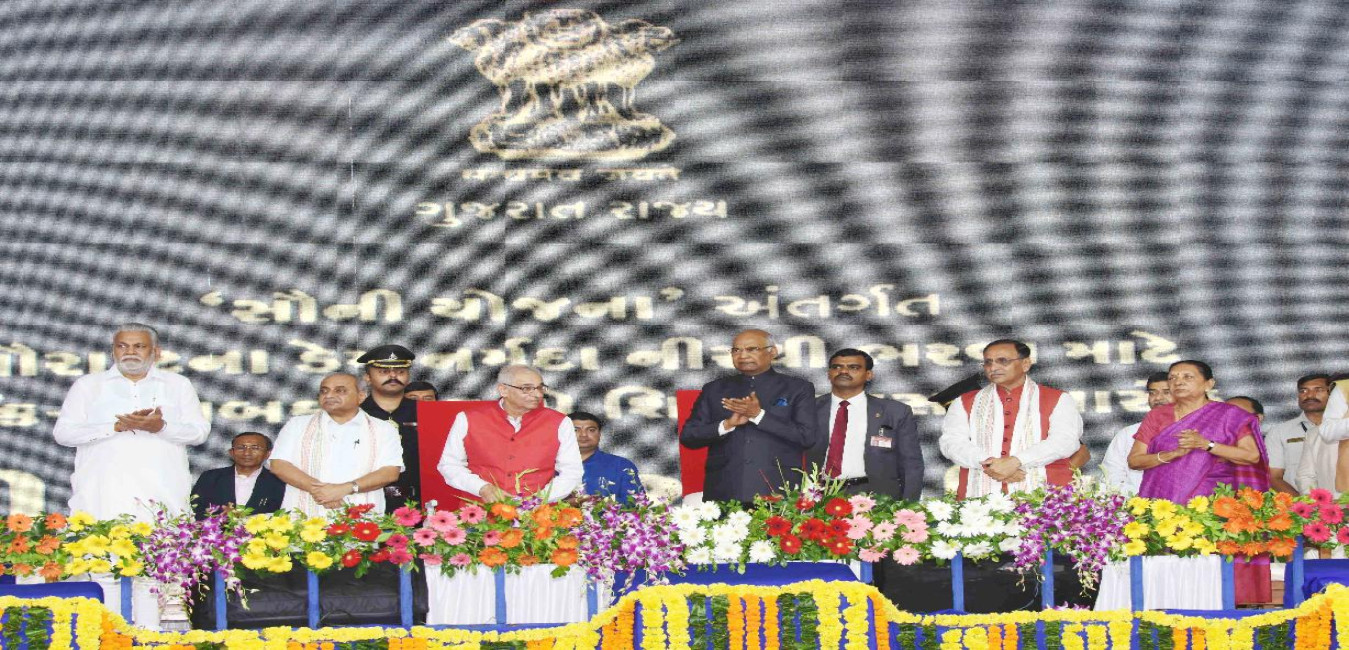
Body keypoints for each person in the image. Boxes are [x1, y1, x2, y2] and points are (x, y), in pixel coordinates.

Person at [1126, 359, 1271, 605]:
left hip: (1212, 510)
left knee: (1209, 573)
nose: (1178, 382)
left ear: (1209, 383)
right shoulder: (1157, 415)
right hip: (1163, 507)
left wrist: (1207, 445)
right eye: (1173, 377)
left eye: (1187, 377)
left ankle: (1214, 618)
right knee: (1166, 574)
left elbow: (1251, 456)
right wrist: (1169, 455)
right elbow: (1135, 460)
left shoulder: (1230, 415)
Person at [54, 323, 212, 520]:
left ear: (156, 352)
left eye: (139, 346)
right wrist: (115, 427)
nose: (130, 352)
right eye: (122, 346)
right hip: (102, 493)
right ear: (113, 351)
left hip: (163, 491)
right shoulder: (88, 385)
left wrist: (161, 427)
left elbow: (199, 433)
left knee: (165, 537)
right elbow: (63, 433)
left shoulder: (178, 385)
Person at [679, 329, 818, 503]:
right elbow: (689, 437)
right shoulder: (714, 389)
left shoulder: (798, 388)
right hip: (724, 492)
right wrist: (726, 425)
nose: (743, 355)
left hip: (778, 492)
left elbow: (806, 437)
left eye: (752, 349)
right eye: (736, 350)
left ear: (772, 352)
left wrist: (758, 415)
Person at [938, 339, 1083, 498]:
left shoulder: (1058, 399)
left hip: (1047, 499)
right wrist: (989, 464)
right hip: (979, 498)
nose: (993, 368)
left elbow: (1065, 441)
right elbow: (951, 443)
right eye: (988, 362)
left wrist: (1016, 461)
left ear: (1025, 364)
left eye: (1003, 361)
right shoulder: (964, 401)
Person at [437, 364, 583, 502]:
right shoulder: (468, 418)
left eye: (540, 388)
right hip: (480, 512)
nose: (537, 394)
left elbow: (572, 472)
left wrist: (538, 500)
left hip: (539, 514)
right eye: (527, 388)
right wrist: (482, 488)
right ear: (503, 390)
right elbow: (449, 465)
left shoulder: (560, 422)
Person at [270, 373, 404, 516]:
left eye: (340, 390)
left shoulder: (383, 429)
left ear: (361, 396)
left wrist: (345, 489)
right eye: (324, 391)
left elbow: (390, 472)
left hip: (362, 519)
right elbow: (279, 465)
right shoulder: (297, 424)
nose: (328, 395)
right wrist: (322, 492)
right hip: (304, 517)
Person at [807, 348, 923, 499]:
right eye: (837, 367)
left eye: (853, 367)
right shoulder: (806, 409)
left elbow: (911, 465)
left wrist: (909, 506)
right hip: (817, 496)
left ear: (868, 375)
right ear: (829, 374)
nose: (843, 371)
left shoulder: (895, 412)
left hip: (876, 498)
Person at [356, 344, 422, 508]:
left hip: (419, 501)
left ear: (408, 377)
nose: (393, 375)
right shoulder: (355, 415)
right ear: (367, 377)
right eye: (384, 371)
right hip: (366, 501)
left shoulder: (425, 413)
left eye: (400, 371)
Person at [1101, 372, 1172, 494]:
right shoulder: (1128, 434)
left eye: (1166, 392)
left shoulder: (1194, 432)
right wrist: (1138, 500)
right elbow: (1110, 477)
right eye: (1152, 393)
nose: (1158, 398)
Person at [190, 432, 286, 519]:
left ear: (268, 454)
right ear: (231, 452)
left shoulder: (279, 481)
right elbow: (194, 509)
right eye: (241, 448)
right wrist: (220, 517)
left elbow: (284, 515)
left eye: (255, 448)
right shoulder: (211, 477)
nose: (247, 453)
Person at [1265, 374, 1330, 495]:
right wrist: (1303, 503)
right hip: (1298, 502)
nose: (1309, 395)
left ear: (1332, 394)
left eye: (1318, 390)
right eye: (1303, 391)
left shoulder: (1344, 429)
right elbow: (1273, 477)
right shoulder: (1279, 432)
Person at [571, 410, 644, 503]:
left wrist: (602, 504)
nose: (583, 435)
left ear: (599, 434)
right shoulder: (553, 465)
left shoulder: (622, 466)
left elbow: (637, 503)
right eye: (575, 430)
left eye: (591, 430)